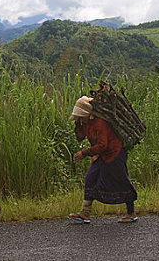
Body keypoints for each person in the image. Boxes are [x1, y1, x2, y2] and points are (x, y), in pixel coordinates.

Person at [68, 96, 138, 224]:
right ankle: (85, 213)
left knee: (121, 181)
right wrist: (77, 123)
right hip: (101, 155)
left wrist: (84, 153)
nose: (79, 118)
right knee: (90, 177)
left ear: (87, 114)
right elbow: (80, 137)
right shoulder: (85, 123)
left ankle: (131, 212)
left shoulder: (100, 123)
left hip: (115, 153)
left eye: (80, 116)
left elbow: (103, 145)